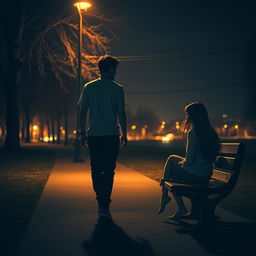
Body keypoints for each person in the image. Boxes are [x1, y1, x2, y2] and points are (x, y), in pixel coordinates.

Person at [78, 55, 127, 218]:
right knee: (109, 170)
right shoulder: (118, 88)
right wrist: (125, 134)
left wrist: (81, 131)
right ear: (110, 69)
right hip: (111, 135)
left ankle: (101, 199)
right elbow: (121, 112)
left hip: (94, 135)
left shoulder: (88, 87)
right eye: (115, 69)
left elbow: (83, 110)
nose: (116, 72)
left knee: (96, 168)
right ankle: (105, 201)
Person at [158, 102, 220, 218]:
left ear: (193, 116)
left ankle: (174, 202)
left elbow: (190, 160)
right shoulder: (211, 133)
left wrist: (179, 166)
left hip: (196, 175)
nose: (186, 118)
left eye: (187, 115)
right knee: (172, 158)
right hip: (206, 174)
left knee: (171, 175)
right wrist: (181, 164)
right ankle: (165, 196)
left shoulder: (193, 133)